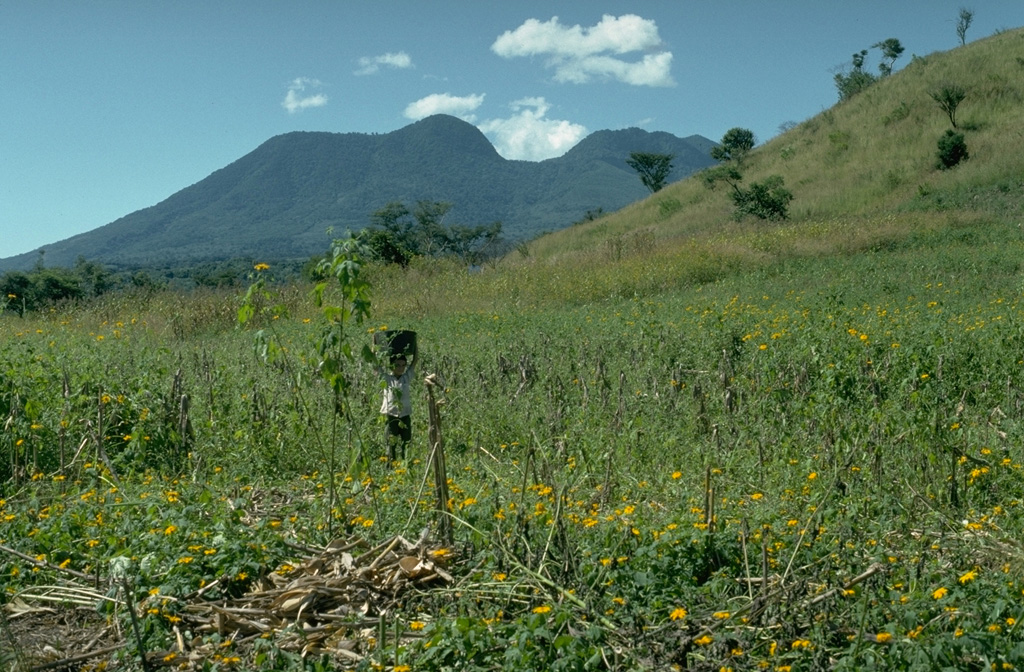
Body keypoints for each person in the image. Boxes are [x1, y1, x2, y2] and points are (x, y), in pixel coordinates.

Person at [378, 342, 417, 461]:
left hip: (405, 415)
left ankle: (407, 465)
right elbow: (375, 366)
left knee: (406, 442)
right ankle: (390, 466)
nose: (400, 368)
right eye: (397, 365)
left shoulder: (406, 378)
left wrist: (415, 345)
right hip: (391, 416)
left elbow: (415, 361)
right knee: (391, 444)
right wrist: (374, 346)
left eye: (403, 365)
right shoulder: (387, 379)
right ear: (391, 365)